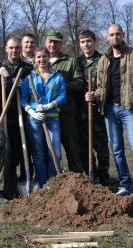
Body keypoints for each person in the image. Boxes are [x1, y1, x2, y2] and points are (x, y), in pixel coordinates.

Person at [86, 24, 133, 203]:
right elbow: (101, 88)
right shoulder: (104, 60)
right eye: (112, 34)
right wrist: (93, 95)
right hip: (110, 110)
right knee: (117, 149)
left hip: (130, 109)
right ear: (107, 38)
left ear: (123, 35)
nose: (115, 37)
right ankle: (125, 185)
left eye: (118, 34)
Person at [20, 47, 66, 187]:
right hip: (35, 119)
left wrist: (48, 105)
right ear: (35, 59)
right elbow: (23, 99)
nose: (42, 60)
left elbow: (62, 96)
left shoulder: (58, 76)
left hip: (52, 117)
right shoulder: (30, 77)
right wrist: (31, 111)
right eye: (39, 57)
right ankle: (42, 182)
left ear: (48, 57)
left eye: (44, 56)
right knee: (38, 152)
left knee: (55, 152)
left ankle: (53, 182)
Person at [45, 30, 84, 173]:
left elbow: (79, 82)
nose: (52, 44)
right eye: (50, 41)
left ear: (61, 44)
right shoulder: (40, 60)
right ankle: (52, 179)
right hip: (47, 114)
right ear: (45, 42)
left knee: (72, 147)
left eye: (56, 42)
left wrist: (61, 87)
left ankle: (77, 179)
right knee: (48, 149)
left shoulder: (70, 61)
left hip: (66, 113)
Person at [0, 37, 34, 197]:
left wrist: (25, 85)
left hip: (25, 114)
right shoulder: (0, 67)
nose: (14, 51)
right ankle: (11, 185)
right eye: (11, 48)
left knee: (26, 151)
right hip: (8, 115)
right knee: (10, 152)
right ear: (6, 49)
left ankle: (26, 179)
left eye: (17, 48)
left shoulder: (27, 68)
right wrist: (8, 80)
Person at [76, 29, 110, 184]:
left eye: (88, 41)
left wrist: (96, 94)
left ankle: (104, 177)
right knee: (84, 148)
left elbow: (107, 85)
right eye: (83, 42)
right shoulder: (77, 62)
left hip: (99, 111)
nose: (86, 44)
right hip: (81, 112)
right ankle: (93, 176)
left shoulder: (103, 60)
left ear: (94, 42)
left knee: (101, 147)